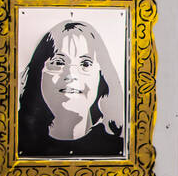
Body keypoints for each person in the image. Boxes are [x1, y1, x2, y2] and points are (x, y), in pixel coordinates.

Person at [18, 20, 125, 158]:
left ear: (102, 76)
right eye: (58, 62)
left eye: (85, 64)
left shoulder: (119, 150)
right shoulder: (16, 146)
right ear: (38, 74)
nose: (70, 75)